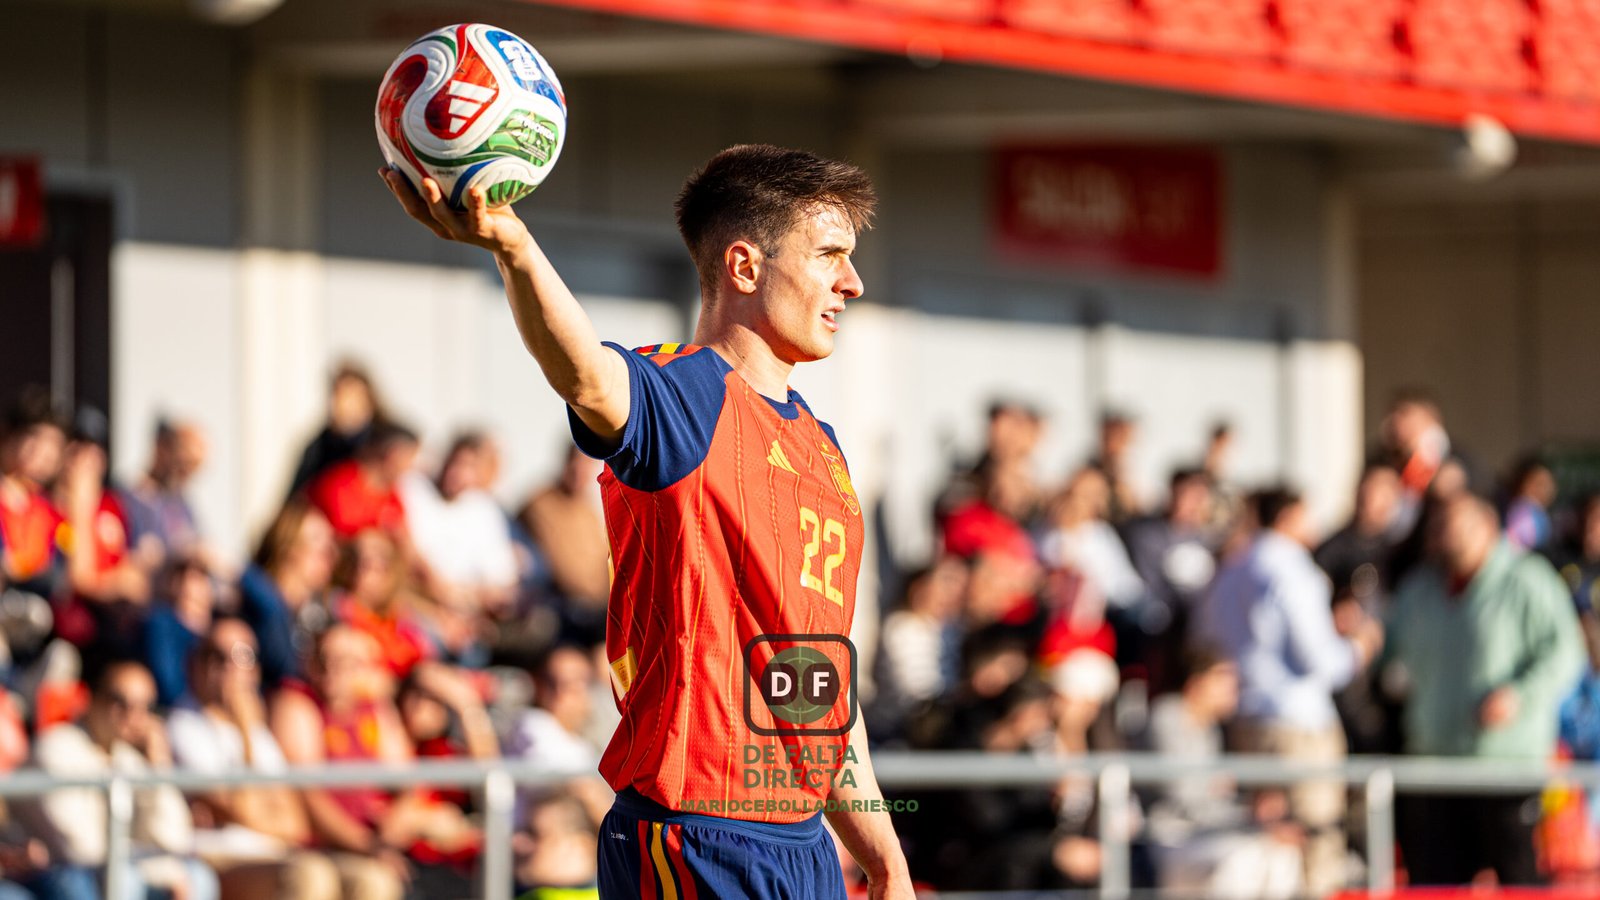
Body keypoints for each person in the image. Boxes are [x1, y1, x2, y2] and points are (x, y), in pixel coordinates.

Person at [379, 143, 912, 898]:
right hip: (694, 836)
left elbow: (816, 680)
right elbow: (586, 376)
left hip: (804, 847)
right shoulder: (685, 397)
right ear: (745, 266)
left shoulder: (821, 450)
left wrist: (883, 855)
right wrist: (515, 248)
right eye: (829, 255)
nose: (851, 283)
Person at [1387, 493, 1585, 886]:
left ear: (1486, 527)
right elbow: (1391, 655)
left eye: (1456, 525)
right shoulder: (1419, 589)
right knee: (1437, 881)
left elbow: (1565, 654)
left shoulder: (1527, 579)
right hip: (1435, 764)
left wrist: (1519, 696)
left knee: (1518, 879)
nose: (1446, 536)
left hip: (1506, 764)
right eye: (1440, 525)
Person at [1196, 487, 1383, 896]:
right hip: (1298, 726)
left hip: (1245, 722)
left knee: (1263, 853)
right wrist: (1358, 648)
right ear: (1289, 517)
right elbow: (1317, 660)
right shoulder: (1290, 568)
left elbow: (1206, 641)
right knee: (1315, 849)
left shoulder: (1231, 568)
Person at [166, 618, 361, 900]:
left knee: (370, 880)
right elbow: (239, 808)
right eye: (217, 656)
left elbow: (295, 822)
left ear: (255, 670)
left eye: (242, 656)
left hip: (273, 854)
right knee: (308, 875)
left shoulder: (260, 734)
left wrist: (253, 811)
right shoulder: (184, 725)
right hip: (218, 858)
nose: (229, 667)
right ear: (195, 664)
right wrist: (245, 731)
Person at [19, 661, 219, 900]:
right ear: (91, 698)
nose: (132, 716)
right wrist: (162, 871)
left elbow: (173, 838)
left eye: (144, 706)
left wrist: (158, 766)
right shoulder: (54, 749)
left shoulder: (130, 759)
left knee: (198, 877)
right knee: (124, 877)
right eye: (119, 701)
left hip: (113, 868)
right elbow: (80, 849)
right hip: (59, 874)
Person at [1140, 644, 1302, 899]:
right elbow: (1183, 794)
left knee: (1283, 855)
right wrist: (1251, 817)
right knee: (1242, 859)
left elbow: (1211, 796)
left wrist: (1258, 819)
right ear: (1197, 682)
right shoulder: (1167, 716)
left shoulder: (1211, 730)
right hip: (1174, 838)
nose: (1233, 691)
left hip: (1210, 833)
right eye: (1224, 681)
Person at [238, 499, 338, 691]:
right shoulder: (257, 596)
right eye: (322, 549)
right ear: (289, 548)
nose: (332, 556)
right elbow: (283, 667)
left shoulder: (320, 610)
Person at [288, 362, 391, 498]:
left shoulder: (386, 442)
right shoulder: (319, 447)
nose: (345, 405)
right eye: (340, 396)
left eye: (352, 397)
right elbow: (296, 498)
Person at [119, 418, 208, 574]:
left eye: (194, 467)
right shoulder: (127, 500)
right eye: (184, 463)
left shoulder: (182, 505)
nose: (187, 475)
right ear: (162, 448)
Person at [306, 420, 419, 541]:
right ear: (392, 454)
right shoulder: (340, 483)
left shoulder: (393, 498)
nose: (410, 467)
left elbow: (405, 540)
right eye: (409, 459)